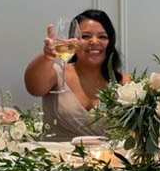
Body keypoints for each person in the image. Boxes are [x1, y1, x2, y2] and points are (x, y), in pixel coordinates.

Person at [24, 9, 129, 140]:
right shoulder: (57, 73)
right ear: (73, 40)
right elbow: (34, 87)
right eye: (85, 36)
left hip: (109, 158)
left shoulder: (126, 83)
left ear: (110, 42)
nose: (94, 42)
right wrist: (48, 56)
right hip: (57, 158)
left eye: (102, 37)